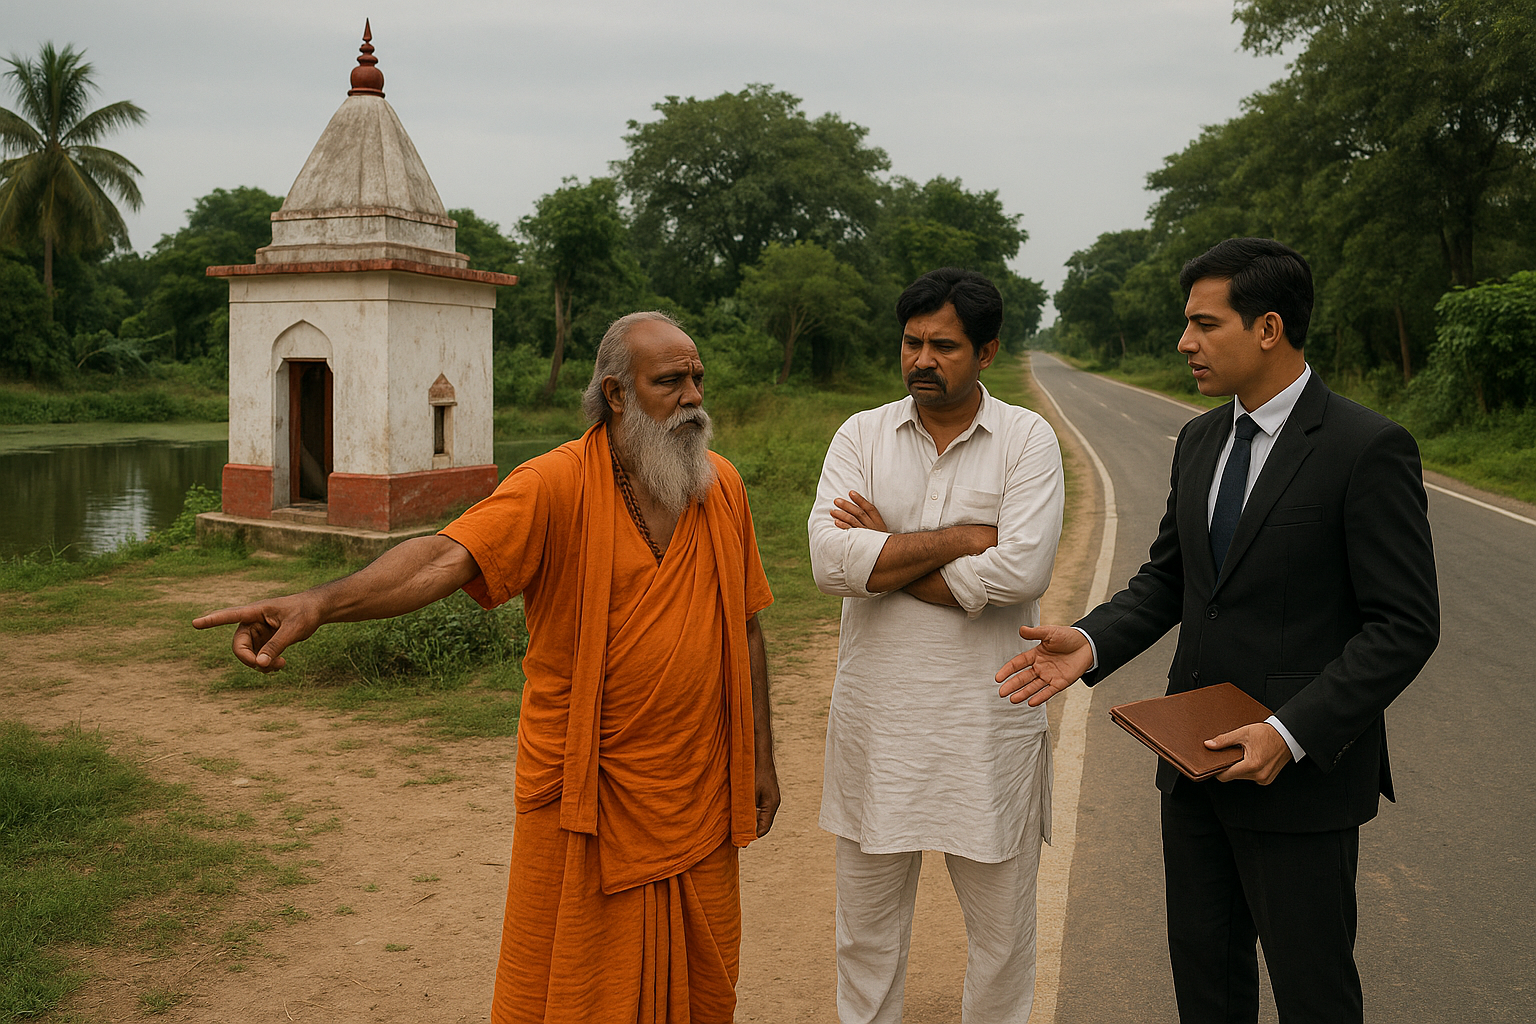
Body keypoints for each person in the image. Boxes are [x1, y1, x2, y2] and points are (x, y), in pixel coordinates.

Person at [194, 311, 780, 1024]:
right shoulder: (555, 485)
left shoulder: (720, 487)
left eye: (696, 378)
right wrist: (320, 603)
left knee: (698, 982)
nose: (692, 397)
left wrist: (760, 763)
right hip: (587, 792)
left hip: (697, 785)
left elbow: (745, 628)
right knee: (570, 987)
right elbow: (442, 558)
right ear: (617, 394)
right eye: (670, 382)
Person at [996, 238, 1440, 1023]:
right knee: (1207, 991)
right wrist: (1092, 643)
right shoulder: (1201, 440)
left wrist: (1289, 731)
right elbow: (1172, 579)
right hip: (1194, 767)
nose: (1185, 343)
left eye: (1204, 324)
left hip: (1301, 782)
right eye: (1186, 324)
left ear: (1268, 328)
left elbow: (1403, 626)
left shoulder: (1364, 448)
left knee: (1316, 996)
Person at [808, 267, 1065, 1024]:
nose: (923, 359)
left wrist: (882, 554)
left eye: (944, 345)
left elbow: (1021, 568)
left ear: (986, 352)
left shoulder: (1026, 439)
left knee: (1002, 940)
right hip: (877, 725)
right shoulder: (860, 435)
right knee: (867, 938)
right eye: (912, 342)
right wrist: (961, 540)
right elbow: (829, 564)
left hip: (987, 727)